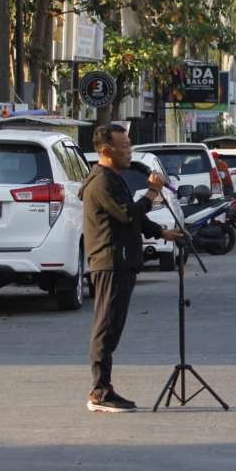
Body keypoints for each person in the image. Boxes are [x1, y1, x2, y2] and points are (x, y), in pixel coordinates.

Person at [81, 123, 182, 413]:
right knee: (106, 326)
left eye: (129, 144)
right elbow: (128, 214)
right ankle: (99, 392)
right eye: (123, 146)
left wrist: (162, 232)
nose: (129, 151)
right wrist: (152, 193)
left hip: (121, 260)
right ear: (105, 151)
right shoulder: (102, 181)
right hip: (111, 261)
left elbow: (131, 218)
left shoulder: (114, 178)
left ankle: (104, 388)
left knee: (113, 325)